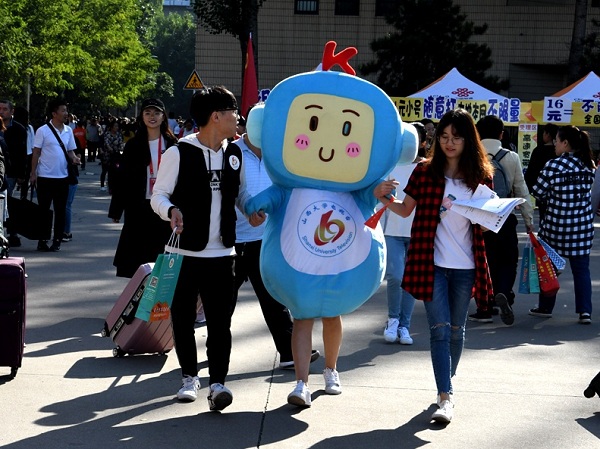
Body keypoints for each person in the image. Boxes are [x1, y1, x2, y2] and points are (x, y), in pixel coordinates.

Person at [374, 109, 494, 423]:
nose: (449, 143)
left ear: (468, 139)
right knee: (439, 332)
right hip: (432, 264)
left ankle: (446, 384)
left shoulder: (481, 175)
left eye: (455, 137)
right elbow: (404, 210)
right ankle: (445, 396)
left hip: (467, 265)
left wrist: (496, 211)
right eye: (443, 137)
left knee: (457, 331)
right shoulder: (424, 172)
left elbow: (488, 220)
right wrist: (383, 198)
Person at [150, 86, 264, 411]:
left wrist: (250, 210)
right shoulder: (179, 153)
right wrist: (169, 211)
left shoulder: (234, 153)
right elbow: (158, 195)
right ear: (216, 116)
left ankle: (218, 384)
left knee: (219, 323)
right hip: (185, 254)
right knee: (183, 319)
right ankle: (189, 377)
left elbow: (237, 195)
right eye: (233, 111)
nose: (238, 117)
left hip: (222, 255)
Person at [231, 129, 320, 369]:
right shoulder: (232, 151)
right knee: (222, 302)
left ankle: (289, 352)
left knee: (273, 296)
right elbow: (232, 192)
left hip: (266, 237)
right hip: (232, 238)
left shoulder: (278, 155)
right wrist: (248, 210)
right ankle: (217, 348)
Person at [468, 115, 535, 325]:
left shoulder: (471, 156)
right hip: (505, 215)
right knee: (507, 259)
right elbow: (521, 189)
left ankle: (484, 306)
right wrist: (529, 219)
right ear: (501, 134)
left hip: (478, 217)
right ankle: (504, 292)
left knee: (482, 260)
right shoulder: (511, 157)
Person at [528, 125, 595, 324]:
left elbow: (538, 192)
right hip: (581, 228)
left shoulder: (553, 166)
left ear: (565, 143)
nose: (554, 144)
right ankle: (585, 312)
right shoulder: (588, 165)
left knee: (549, 268)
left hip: (555, 228)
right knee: (581, 270)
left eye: (557, 140)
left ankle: (545, 307)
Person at [108, 99, 176, 278]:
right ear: (142, 117)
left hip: (164, 206)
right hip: (138, 205)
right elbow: (123, 179)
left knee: (161, 255)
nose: (152, 117)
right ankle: (139, 296)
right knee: (137, 256)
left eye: (156, 113)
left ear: (163, 117)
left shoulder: (173, 144)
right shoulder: (134, 145)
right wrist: (116, 209)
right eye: (148, 113)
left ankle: (159, 298)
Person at [380, 122, 427, 345]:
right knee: (396, 276)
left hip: (417, 232)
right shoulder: (390, 166)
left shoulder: (426, 168)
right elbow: (380, 198)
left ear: (423, 143)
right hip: (392, 231)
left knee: (409, 280)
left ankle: (405, 325)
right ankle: (392, 320)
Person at [30, 98, 81, 252]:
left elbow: (70, 150)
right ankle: (42, 239)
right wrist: (33, 173)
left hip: (62, 177)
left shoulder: (68, 130)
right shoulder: (42, 130)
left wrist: (75, 158)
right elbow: (36, 152)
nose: (66, 113)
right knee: (44, 210)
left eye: (66, 110)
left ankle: (57, 239)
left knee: (60, 210)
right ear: (54, 113)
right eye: (63, 110)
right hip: (45, 176)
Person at [0, 99, 28, 248]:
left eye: (5, 109)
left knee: (6, 203)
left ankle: (11, 233)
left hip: (9, 173)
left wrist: (21, 174)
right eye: (0, 109)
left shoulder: (19, 129)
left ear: (12, 112)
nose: (1, 111)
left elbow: (21, 154)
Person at [524, 123, 558, 223]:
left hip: (541, 191)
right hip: (558, 192)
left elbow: (531, 171)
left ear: (547, 134)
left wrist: (530, 188)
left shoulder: (538, 150)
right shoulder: (559, 153)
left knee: (544, 217)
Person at [13, 107, 35, 201]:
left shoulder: (12, 127)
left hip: (15, 156)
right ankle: (23, 197)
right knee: (25, 180)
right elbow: (33, 144)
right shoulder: (29, 128)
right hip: (28, 155)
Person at [100, 121, 123, 192]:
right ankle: (102, 185)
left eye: (117, 126)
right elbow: (106, 143)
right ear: (111, 127)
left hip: (116, 155)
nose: (117, 128)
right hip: (107, 155)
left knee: (115, 171)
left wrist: (120, 148)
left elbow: (121, 143)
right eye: (115, 126)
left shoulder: (119, 135)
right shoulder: (107, 134)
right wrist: (110, 149)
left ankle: (114, 186)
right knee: (105, 170)